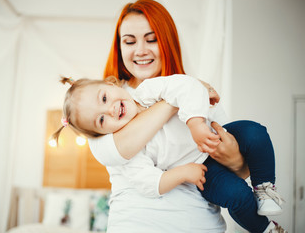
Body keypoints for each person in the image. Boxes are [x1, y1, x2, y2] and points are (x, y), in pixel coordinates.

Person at [56, 0, 286, 233]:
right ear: (119, 47)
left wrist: (236, 160)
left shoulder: (193, 92)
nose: (140, 50)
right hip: (135, 225)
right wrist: (180, 94)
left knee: (253, 136)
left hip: (203, 224)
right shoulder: (98, 113)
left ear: (167, 40)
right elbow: (118, 150)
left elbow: (238, 168)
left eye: (151, 38)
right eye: (129, 41)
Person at [53, 73, 285, 233]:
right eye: (101, 119)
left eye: (104, 98)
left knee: (255, 132)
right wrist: (183, 173)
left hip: (212, 135)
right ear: (99, 134)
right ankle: (264, 228)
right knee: (237, 195)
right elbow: (148, 183)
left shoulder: (147, 91)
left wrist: (196, 123)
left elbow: (186, 85)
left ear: (113, 84)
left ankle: (265, 188)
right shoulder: (128, 149)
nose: (110, 109)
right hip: (204, 169)